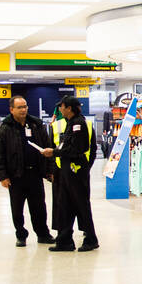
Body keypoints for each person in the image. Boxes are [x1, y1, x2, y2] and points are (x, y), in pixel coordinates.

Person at [0, 96, 56, 247]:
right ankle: (21, 235)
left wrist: (50, 170)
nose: (23, 110)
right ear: (11, 109)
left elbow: (48, 147)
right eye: (20, 107)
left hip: (35, 174)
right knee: (17, 209)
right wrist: (2, 176)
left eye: (25, 106)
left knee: (39, 207)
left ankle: (43, 234)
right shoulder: (5, 128)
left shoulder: (36, 124)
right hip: (16, 176)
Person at [44, 96, 98, 252]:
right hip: (67, 170)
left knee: (81, 205)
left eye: (61, 107)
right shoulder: (70, 123)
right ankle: (65, 241)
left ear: (68, 108)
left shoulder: (79, 124)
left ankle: (91, 239)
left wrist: (54, 152)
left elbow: (77, 149)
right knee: (65, 205)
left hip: (76, 170)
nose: (59, 110)